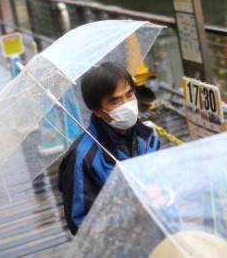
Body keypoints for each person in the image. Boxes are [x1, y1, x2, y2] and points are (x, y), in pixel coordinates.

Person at [58, 61, 161, 234]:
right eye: (115, 101)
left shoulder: (148, 137)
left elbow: (166, 183)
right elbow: (81, 224)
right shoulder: (83, 158)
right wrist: (133, 212)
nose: (126, 104)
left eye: (129, 95)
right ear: (97, 110)